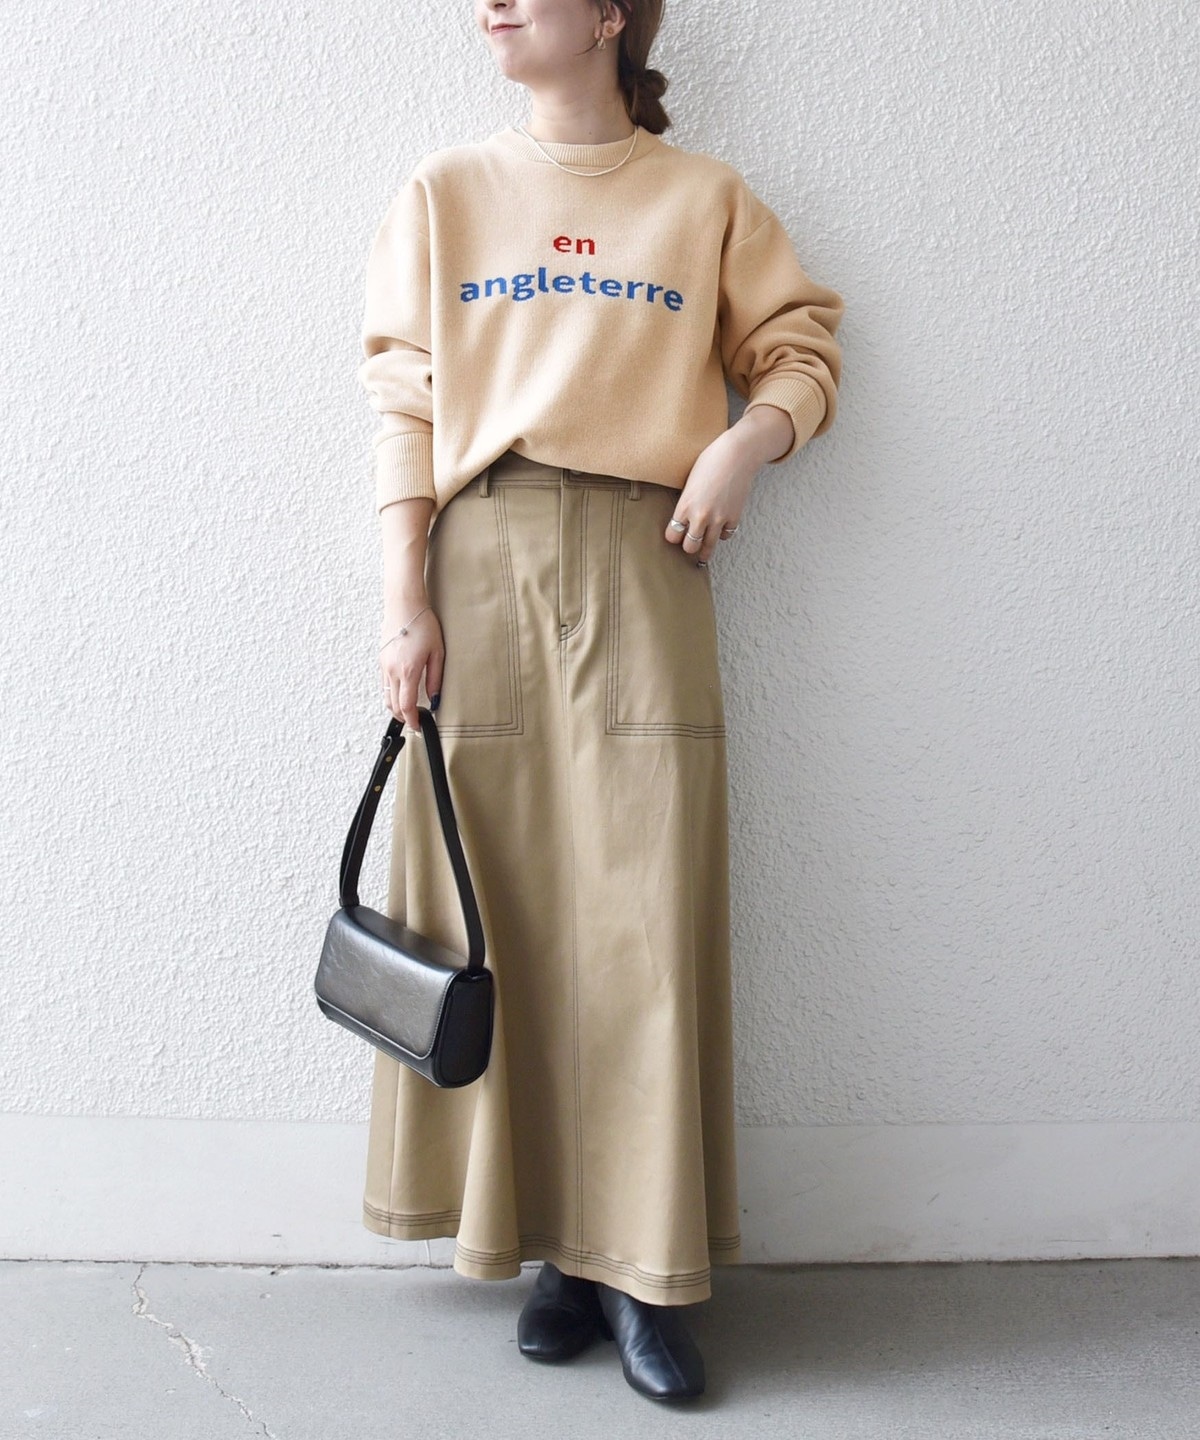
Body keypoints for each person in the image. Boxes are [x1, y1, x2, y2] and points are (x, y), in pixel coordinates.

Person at [357, 0, 844, 1404]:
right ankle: (547, 1252)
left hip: (647, 557)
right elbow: (404, 399)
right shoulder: (448, 191)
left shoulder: (704, 199)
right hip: (484, 557)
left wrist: (744, 446)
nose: (491, 4)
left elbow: (802, 348)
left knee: (644, 917)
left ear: (612, 16)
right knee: (498, 907)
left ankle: (641, 1268)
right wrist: (404, 596)